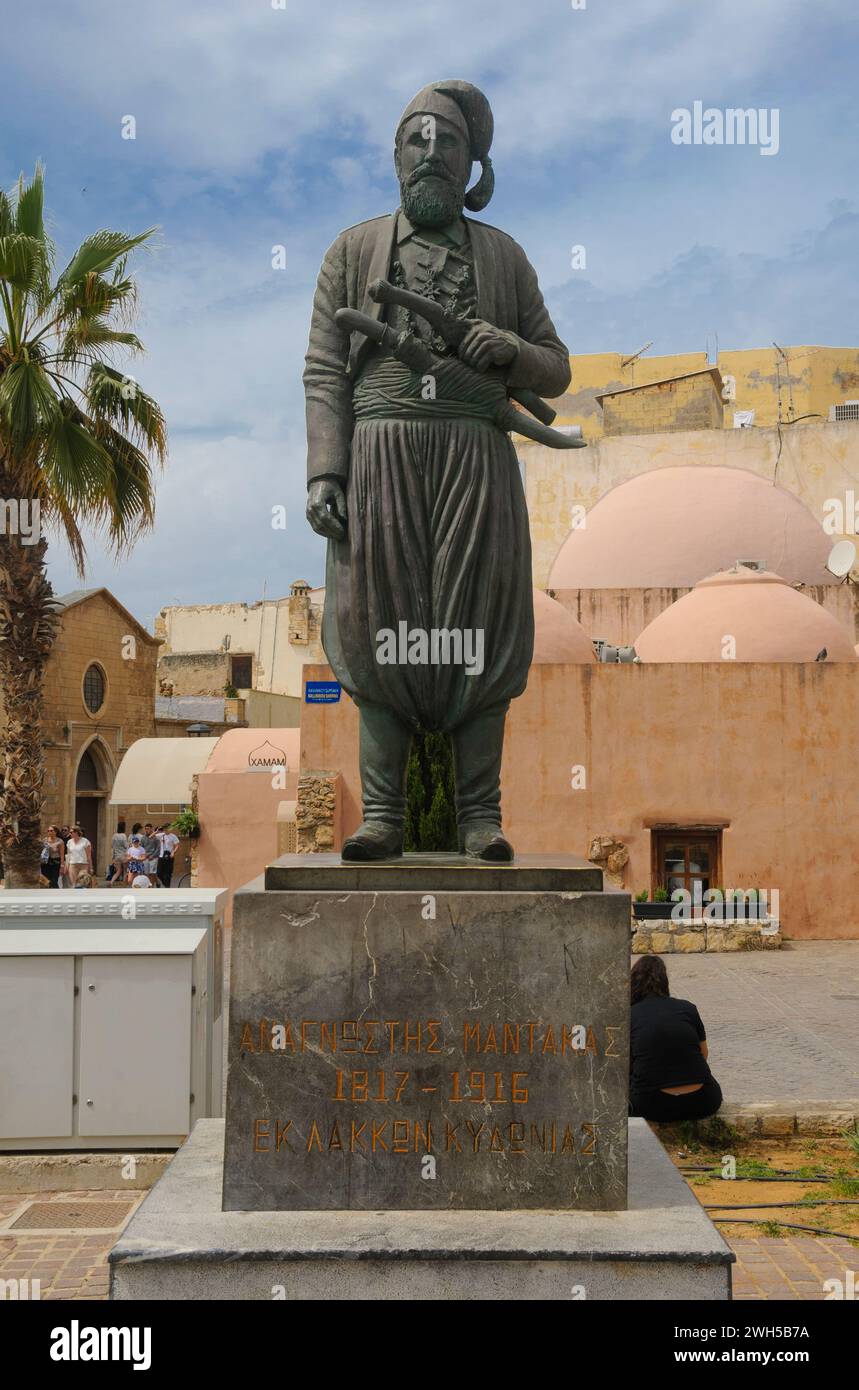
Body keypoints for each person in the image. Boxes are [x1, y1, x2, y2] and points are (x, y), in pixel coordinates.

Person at [304, 80, 571, 862]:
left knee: (479, 625)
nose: (429, 152)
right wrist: (327, 471)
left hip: (474, 454)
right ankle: (382, 814)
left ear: (469, 163)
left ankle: (478, 816)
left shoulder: (503, 256)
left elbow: (554, 369)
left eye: (445, 141)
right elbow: (324, 369)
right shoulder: (352, 253)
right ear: (395, 157)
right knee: (371, 623)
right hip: (377, 455)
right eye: (415, 140)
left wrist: (511, 352)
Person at [629, 956, 722, 1123]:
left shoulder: (629, 1015)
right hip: (703, 1101)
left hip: (651, 1104)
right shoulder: (688, 1008)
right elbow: (704, 1054)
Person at [109, 820, 128, 886]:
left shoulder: (114, 835)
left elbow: (112, 845)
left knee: (118, 871)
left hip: (116, 856)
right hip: (123, 855)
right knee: (125, 871)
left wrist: (113, 857)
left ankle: (111, 882)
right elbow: (126, 846)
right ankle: (124, 884)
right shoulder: (123, 835)